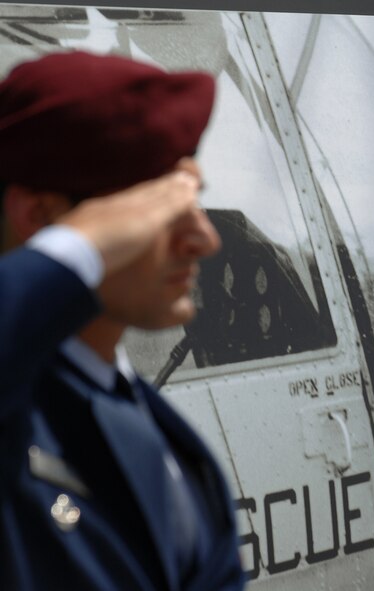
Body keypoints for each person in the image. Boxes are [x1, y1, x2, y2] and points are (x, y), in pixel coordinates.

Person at [0, 51, 245, 590]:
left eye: (191, 204)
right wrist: (76, 250)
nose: (205, 240)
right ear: (41, 218)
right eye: (152, 210)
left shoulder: (171, 444)